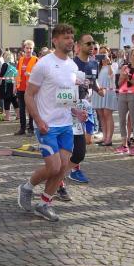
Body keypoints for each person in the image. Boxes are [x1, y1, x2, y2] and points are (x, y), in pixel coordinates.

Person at [17, 24, 82, 221]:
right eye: (65, 37)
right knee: (53, 167)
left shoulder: (73, 66)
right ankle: (27, 186)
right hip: (47, 124)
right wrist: (38, 120)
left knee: (63, 167)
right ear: (55, 40)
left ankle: (44, 203)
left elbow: (66, 97)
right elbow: (29, 95)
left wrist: (76, 111)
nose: (70, 41)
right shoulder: (44, 64)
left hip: (66, 125)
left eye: (71, 37)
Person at [67, 33, 101, 184]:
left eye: (93, 43)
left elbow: (93, 82)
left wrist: (99, 89)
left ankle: (65, 171)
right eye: (88, 43)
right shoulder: (71, 64)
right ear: (79, 46)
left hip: (86, 107)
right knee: (74, 146)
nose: (92, 46)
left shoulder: (94, 64)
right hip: (71, 108)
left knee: (87, 141)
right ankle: (72, 171)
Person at [115, 48, 134, 155]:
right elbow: (119, 84)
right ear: (130, 56)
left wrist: (130, 80)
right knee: (122, 120)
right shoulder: (125, 67)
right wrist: (123, 77)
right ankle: (124, 144)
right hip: (122, 94)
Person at [92, 52, 117, 146]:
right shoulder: (98, 66)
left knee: (107, 114)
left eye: (105, 55)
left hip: (108, 92)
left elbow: (111, 75)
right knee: (101, 115)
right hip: (98, 92)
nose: (103, 57)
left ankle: (109, 139)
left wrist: (109, 63)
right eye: (101, 55)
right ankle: (104, 137)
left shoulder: (113, 65)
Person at [14, 40, 38, 135]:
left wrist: (30, 74)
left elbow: (40, 74)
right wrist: (15, 86)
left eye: (30, 48)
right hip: (20, 88)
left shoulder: (36, 60)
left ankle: (31, 128)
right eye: (27, 48)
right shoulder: (21, 60)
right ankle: (22, 128)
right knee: (21, 109)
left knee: (31, 108)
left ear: (33, 49)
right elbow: (17, 73)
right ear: (24, 49)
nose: (28, 50)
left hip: (30, 88)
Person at [0, 51, 18, 120]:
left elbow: (1, 75)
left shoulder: (5, 65)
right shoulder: (14, 64)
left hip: (6, 85)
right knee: (14, 100)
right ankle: (18, 115)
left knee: (6, 100)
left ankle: (7, 117)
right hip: (14, 84)